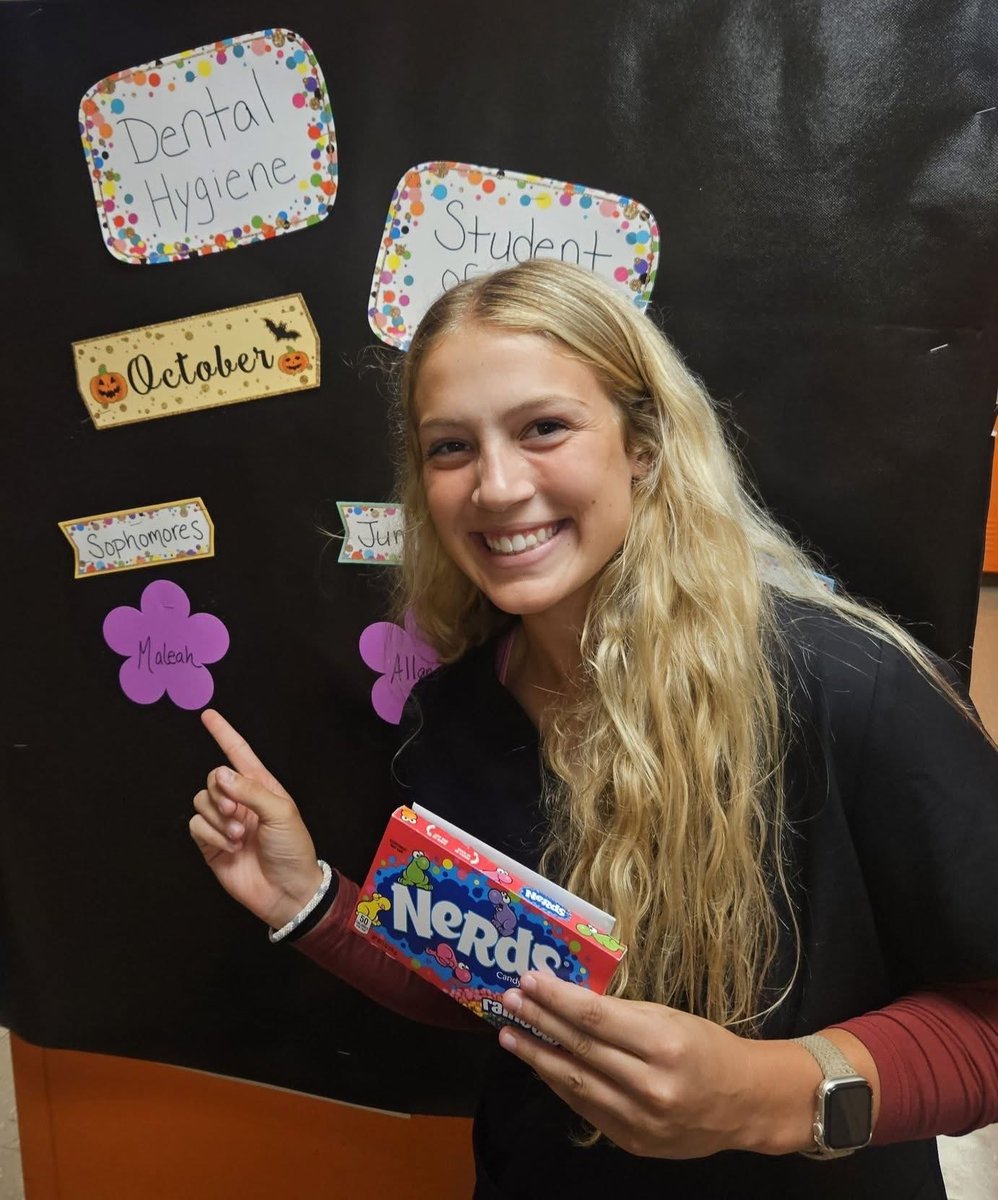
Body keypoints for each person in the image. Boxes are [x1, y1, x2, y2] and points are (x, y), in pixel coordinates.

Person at [190, 259, 998, 1199]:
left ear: (642, 445)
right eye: (450, 447)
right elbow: (501, 993)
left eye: (544, 428)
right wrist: (315, 902)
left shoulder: (844, 685)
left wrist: (768, 1096)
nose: (495, 487)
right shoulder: (453, 717)